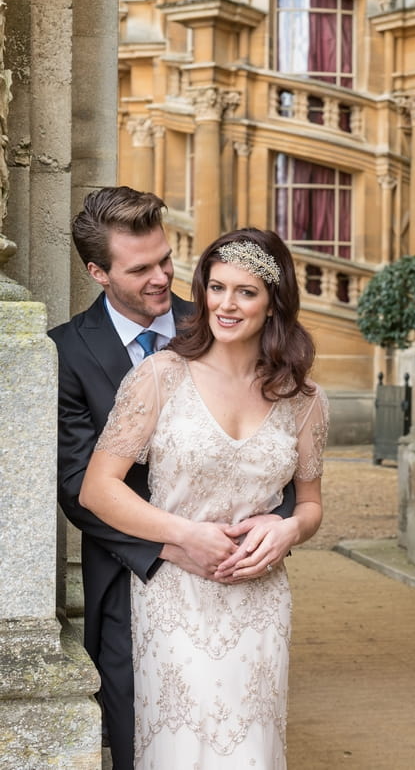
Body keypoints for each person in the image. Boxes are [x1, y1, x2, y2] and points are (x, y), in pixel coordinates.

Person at [49, 189, 295, 769]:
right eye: (140, 269)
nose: (162, 278)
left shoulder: (222, 316)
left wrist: (280, 525)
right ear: (98, 273)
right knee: (149, 745)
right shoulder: (66, 352)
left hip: (239, 581)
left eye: (166, 260)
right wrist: (176, 543)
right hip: (132, 580)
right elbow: (79, 485)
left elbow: (276, 440)